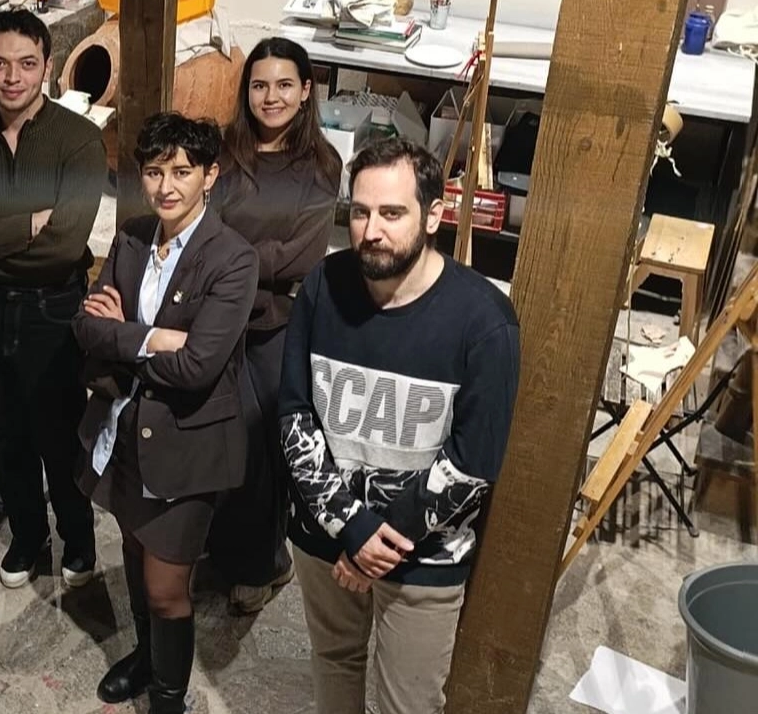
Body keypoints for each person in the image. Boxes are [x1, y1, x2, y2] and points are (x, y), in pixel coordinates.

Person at [277, 137, 520, 714]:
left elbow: (473, 462)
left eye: (392, 213)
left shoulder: (484, 320)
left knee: (408, 703)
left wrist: (376, 541)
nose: (372, 231)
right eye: (360, 212)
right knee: (334, 661)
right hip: (325, 533)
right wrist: (350, 525)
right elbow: (294, 414)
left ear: (433, 215)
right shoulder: (323, 285)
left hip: (422, 554)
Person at [73, 112, 258, 713]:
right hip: (125, 428)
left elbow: (198, 367)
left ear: (210, 175)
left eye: (182, 171)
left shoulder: (232, 258)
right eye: (154, 172)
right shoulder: (131, 235)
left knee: (166, 585)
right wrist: (154, 338)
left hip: (187, 440)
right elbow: (85, 327)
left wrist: (123, 336)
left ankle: (169, 698)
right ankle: (146, 658)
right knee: (132, 548)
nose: (166, 186)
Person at [0, 9, 105, 590]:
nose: (13, 77)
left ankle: (78, 538)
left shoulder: (78, 140)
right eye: (0, 64)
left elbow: (64, 246)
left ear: (48, 66)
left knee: (59, 433)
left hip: (53, 306)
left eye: (27, 64)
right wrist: (27, 223)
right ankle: (30, 536)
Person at [206, 37, 341, 615]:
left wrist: (229, 259)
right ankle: (227, 549)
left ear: (306, 90)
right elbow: (200, 227)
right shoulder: (224, 150)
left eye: (285, 85)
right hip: (216, 319)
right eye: (259, 85)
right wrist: (243, 261)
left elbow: (301, 256)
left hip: (275, 326)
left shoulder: (322, 165)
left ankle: (261, 565)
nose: (271, 97)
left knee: (261, 449)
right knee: (214, 441)